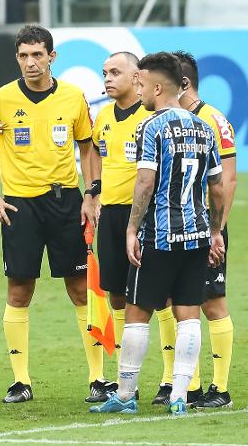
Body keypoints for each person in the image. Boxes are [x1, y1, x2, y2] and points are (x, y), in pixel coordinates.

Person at [91, 52, 225, 416]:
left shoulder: (152, 126)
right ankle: (180, 395)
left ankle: (125, 393)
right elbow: (218, 187)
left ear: (157, 86)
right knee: (188, 314)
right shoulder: (203, 127)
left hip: (161, 235)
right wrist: (215, 231)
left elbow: (146, 181)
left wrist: (132, 229)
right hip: (196, 235)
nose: (139, 89)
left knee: (136, 312)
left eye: (141, 83)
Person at [0, 25, 98, 403]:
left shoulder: (74, 97)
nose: (30, 62)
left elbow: (88, 147)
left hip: (66, 203)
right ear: (17, 58)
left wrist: (92, 194)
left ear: (52, 57)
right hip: (20, 206)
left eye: (37, 55)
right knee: (19, 289)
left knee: (79, 289)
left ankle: (98, 378)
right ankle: (20, 381)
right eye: (24, 55)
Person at [89, 52, 177, 405]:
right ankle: (129, 382)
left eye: (115, 72)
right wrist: (93, 190)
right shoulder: (104, 116)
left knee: (163, 295)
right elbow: (94, 150)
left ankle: (171, 379)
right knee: (117, 295)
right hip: (110, 215)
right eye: (104, 73)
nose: (107, 78)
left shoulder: (152, 115)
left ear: (137, 76)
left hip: (145, 214)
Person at [173, 50, 237, 409]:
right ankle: (191, 386)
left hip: (206, 226)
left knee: (212, 302)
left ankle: (221, 389)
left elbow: (228, 178)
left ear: (183, 83)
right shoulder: (171, 119)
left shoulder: (213, 119)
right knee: (181, 304)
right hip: (176, 226)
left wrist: (218, 230)